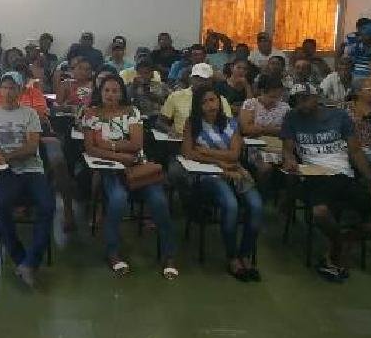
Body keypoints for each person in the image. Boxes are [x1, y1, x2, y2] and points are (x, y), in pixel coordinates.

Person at [282, 83, 371, 281]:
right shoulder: (292, 118)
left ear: (316, 97)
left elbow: (355, 151)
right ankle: (338, 244)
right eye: (296, 102)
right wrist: (290, 160)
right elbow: (287, 149)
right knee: (320, 212)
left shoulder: (339, 116)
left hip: (344, 176)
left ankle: (345, 239)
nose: (301, 106)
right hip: (315, 176)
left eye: (305, 99)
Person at [83, 75, 178, 279]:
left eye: (115, 90)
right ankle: (113, 252)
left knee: (160, 201)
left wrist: (108, 145)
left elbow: (136, 144)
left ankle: (169, 255)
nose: (110, 94)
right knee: (117, 200)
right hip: (110, 169)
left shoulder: (132, 112)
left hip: (138, 167)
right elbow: (90, 148)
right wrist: (119, 155)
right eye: (106, 90)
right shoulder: (91, 114)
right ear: (100, 92)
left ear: (122, 92)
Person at [0, 71, 55, 289]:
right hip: (8, 172)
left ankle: (31, 261)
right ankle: (21, 258)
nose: (8, 91)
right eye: (4, 87)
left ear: (21, 90)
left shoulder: (30, 114)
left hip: (33, 170)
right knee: (0, 205)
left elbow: (32, 148)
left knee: (47, 206)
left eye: (13, 87)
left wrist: (6, 155)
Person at [183, 85, 263, 281]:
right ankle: (233, 256)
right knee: (231, 205)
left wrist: (206, 151)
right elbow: (188, 153)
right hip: (208, 176)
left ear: (219, 101)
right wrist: (219, 162)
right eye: (204, 102)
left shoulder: (232, 123)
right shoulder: (193, 124)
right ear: (198, 106)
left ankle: (245, 254)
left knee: (257, 206)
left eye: (213, 100)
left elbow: (235, 154)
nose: (210, 105)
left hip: (236, 173)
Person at [239, 74, 290, 187]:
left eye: (278, 97)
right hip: (255, 146)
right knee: (265, 167)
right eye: (271, 97)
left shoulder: (285, 107)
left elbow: (287, 130)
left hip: (278, 146)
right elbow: (246, 129)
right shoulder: (250, 104)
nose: (274, 100)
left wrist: (260, 129)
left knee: (290, 165)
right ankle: (260, 190)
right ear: (262, 92)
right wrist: (274, 130)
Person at [159, 63, 232, 138]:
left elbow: (229, 123)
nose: (200, 82)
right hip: (180, 141)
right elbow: (161, 121)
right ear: (191, 79)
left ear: (211, 81)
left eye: (204, 79)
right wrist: (169, 130)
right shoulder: (176, 96)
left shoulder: (221, 100)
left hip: (212, 143)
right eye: (197, 78)